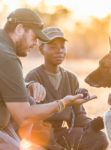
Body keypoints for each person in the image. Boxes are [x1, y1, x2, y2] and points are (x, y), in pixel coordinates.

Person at [0, 8, 93, 150]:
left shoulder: (3, 49)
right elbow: (23, 117)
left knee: (29, 99)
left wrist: (27, 85)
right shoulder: (8, 58)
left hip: (5, 124)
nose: (35, 43)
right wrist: (63, 103)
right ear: (19, 29)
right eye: (34, 37)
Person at [25, 27, 109, 150]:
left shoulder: (71, 78)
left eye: (62, 46)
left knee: (100, 138)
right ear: (41, 49)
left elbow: (78, 115)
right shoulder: (34, 77)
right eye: (53, 47)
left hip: (63, 133)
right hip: (40, 136)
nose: (59, 51)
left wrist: (92, 125)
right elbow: (31, 118)